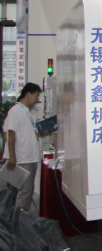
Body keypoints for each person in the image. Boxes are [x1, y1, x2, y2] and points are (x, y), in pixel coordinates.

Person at [2, 82, 43, 212]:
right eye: (36, 95)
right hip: (23, 159)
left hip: (27, 158)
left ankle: (16, 217)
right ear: (28, 94)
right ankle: (20, 219)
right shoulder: (16, 111)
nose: (37, 99)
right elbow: (11, 134)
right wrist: (12, 157)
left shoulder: (26, 112)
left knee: (20, 191)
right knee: (25, 192)